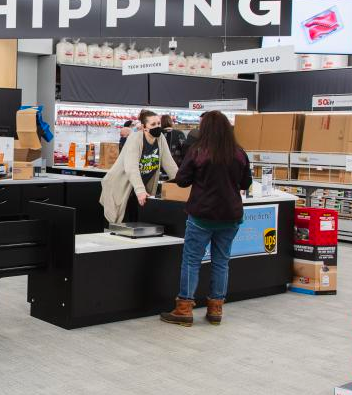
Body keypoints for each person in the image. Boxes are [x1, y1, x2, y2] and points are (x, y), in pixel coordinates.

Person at [161, 110, 252, 327]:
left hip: (201, 216)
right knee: (221, 262)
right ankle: (215, 310)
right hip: (230, 217)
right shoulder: (239, 153)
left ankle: (184, 309)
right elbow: (246, 183)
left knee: (192, 261)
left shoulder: (198, 151)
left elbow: (182, 181)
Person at [99, 110, 179, 225]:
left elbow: (169, 163)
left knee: (137, 223)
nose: (157, 127)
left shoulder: (160, 138)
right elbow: (131, 167)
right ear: (144, 127)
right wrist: (140, 190)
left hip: (137, 187)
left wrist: (182, 182)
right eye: (153, 124)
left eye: (158, 123)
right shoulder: (135, 138)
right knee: (120, 224)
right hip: (121, 185)